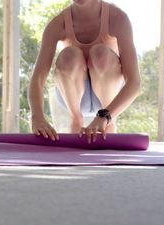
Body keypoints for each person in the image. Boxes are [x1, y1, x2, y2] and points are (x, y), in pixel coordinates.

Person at [28, 0, 141, 143]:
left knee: (101, 54)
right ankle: (76, 119)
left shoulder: (118, 18)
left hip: (107, 97)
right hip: (73, 96)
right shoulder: (57, 25)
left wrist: (105, 116)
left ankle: (109, 124)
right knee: (69, 56)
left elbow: (135, 83)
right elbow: (37, 79)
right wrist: (37, 117)